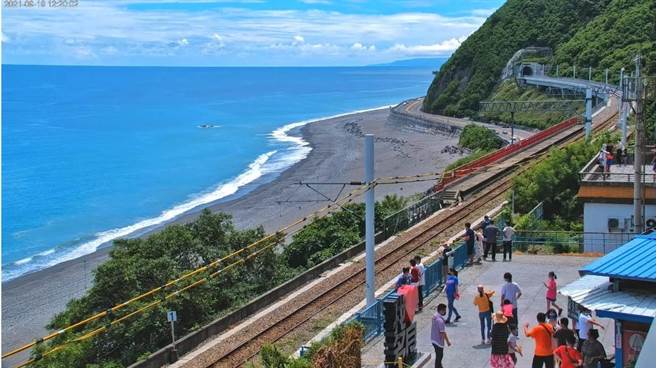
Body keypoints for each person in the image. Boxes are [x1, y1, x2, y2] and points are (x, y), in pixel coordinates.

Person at [431, 303, 451, 368]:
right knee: (439, 357)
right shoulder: (440, 321)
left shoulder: (435, 316)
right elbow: (443, 333)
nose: (445, 312)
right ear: (441, 311)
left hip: (433, 339)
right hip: (438, 341)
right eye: (445, 310)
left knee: (438, 356)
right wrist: (447, 341)